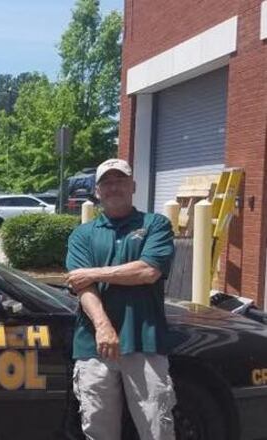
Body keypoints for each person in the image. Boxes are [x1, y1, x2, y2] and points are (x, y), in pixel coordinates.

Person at [65, 158, 176, 440]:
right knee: (98, 429)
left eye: (120, 180)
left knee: (157, 428)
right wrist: (103, 327)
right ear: (97, 191)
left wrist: (92, 272)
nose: (114, 187)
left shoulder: (155, 224)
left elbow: (148, 271)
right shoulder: (82, 234)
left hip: (145, 342)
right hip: (94, 346)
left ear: (133, 186)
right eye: (107, 182)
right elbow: (82, 288)